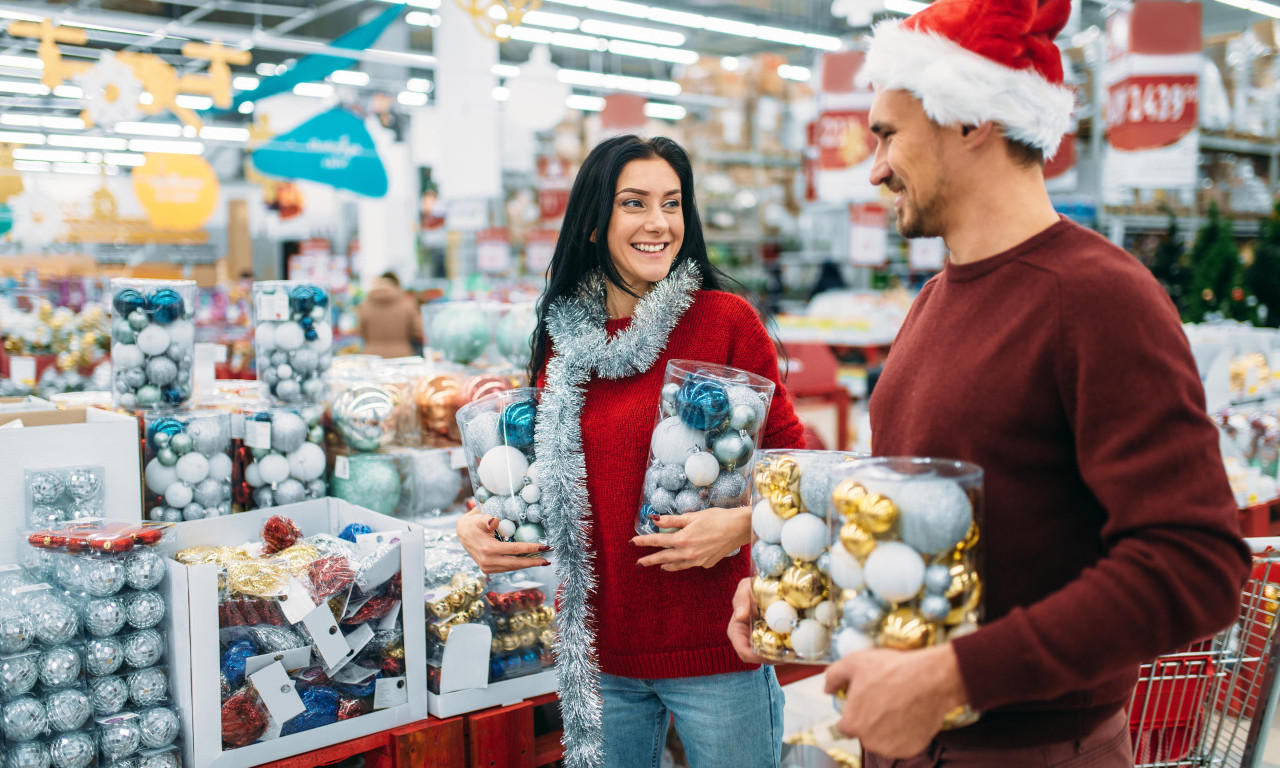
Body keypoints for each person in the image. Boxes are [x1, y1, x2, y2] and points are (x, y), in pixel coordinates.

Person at [728, 0, 1251, 764]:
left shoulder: (1098, 297)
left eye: (888, 134)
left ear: (971, 118)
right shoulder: (933, 303)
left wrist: (952, 677)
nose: (873, 168)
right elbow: (940, 524)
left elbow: (1196, 563)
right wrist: (809, 585)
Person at [456, 135, 805, 768]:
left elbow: (795, 470)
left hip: (718, 648)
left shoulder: (727, 322)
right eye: (635, 203)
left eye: (672, 204)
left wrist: (738, 525)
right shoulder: (562, 340)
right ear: (594, 223)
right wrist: (475, 524)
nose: (658, 223)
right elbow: (532, 477)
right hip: (599, 656)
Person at [356, 271, 423, 358]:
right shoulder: (407, 304)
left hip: (373, 357)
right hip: (402, 356)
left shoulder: (364, 306)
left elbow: (362, 332)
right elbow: (418, 330)